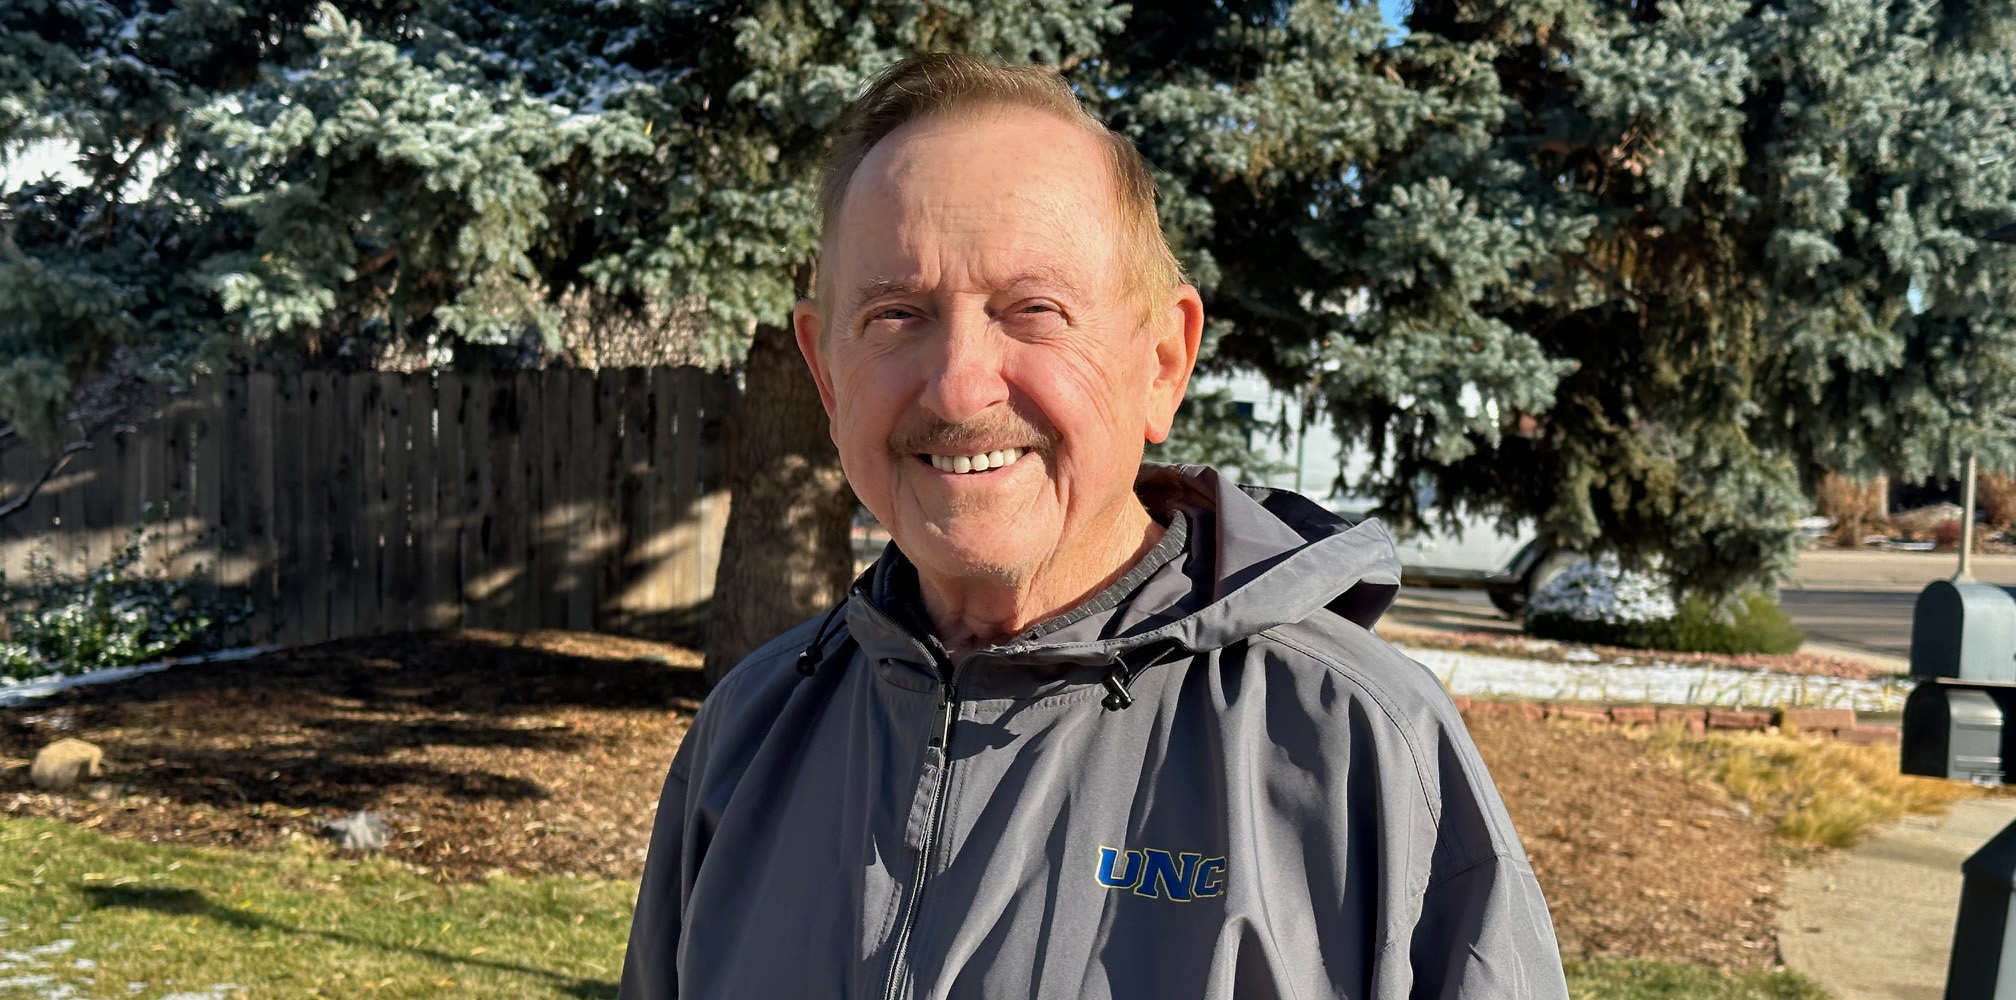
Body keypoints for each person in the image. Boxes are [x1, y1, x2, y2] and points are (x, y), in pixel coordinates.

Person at [619, 53, 1567, 1000]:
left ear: (1163, 360)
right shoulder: (746, 736)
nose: (957, 385)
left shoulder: (1360, 745)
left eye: (1034, 312)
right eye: (895, 314)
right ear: (826, 378)